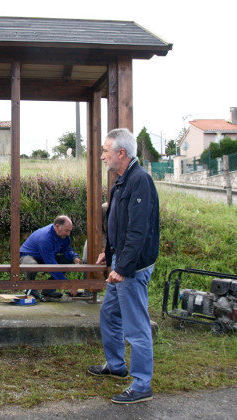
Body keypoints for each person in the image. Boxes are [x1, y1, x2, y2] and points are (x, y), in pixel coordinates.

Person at [89, 128, 160, 404]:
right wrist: (109, 254)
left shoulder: (139, 180)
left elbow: (138, 231)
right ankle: (117, 365)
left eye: (106, 150)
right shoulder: (122, 181)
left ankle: (142, 384)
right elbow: (118, 224)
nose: (102, 156)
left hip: (133, 265)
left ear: (122, 153)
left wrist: (123, 266)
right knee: (109, 315)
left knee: (136, 325)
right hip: (121, 259)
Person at [19, 215, 82, 300]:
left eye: (70, 231)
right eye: (67, 230)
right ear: (57, 226)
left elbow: (66, 249)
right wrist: (67, 284)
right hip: (27, 255)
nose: (68, 234)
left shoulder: (64, 235)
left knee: (66, 260)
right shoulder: (45, 238)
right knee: (32, 265)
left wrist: (74, 257)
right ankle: (30, 289)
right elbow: (51, 265)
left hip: (45, 256)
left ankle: (49, 290)